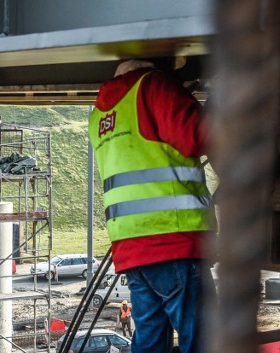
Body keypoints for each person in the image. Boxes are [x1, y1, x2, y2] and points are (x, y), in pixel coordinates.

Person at [88, 59, 216, 353]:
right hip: (173, 240)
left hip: (133, 252)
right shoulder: (153, 86)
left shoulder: (101, 113)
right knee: (203, 340)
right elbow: (200, 135)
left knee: (150, 341)